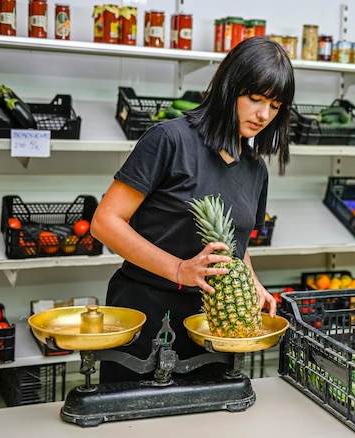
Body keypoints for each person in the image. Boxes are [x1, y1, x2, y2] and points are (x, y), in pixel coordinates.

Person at [90, 36, 296, 383]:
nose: (263, 115)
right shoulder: (169, 140)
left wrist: (251, 283)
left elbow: (234, 249)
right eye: (255, 99)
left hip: (213, 322)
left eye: (275, 106)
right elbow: (105, 222)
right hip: (147, 312)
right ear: (229, 88)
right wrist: (179, 269)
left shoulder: (255, 169)